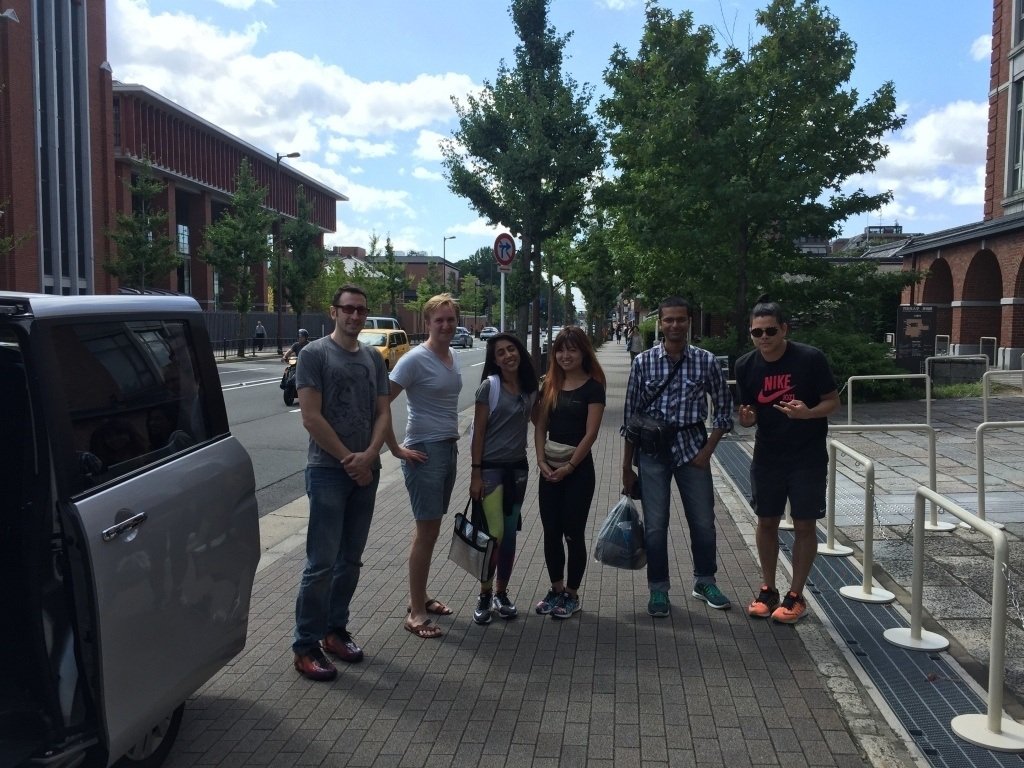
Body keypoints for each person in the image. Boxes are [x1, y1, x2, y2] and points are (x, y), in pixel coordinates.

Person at [291, 284, 391, 681]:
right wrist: (350, 459)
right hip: (328, 472)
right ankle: (305, 645)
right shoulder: (314, 354)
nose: (354, 316)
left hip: (367, 472)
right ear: (334, 312)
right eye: (348, 309)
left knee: (350, 560)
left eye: (361, 310)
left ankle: (335, 630)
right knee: (321, 563)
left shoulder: (373, 358)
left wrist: (369, 456)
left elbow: (383, 413)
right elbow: (310, 416)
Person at [621, 297, 734, 618]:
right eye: (668, 320)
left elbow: (724, 410)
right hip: (652, 452)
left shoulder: (706, 361)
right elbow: (631, 418)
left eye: (680, 320)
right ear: (661, 322)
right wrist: (626, 469)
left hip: (692, 448)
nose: (674, 325)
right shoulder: (643, 362)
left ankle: (704, 581)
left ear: (689, 322)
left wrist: (707, 450)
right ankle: (658, 589)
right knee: (656, 526)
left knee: (703, 522)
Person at [735, 298, 839, 624]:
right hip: (767, 455)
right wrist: (747, 418)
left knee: (804, 525)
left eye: (770, 330)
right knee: (766, 521)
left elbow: (832, 401)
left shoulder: (810, 359)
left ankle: (796, 595)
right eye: (756, 332)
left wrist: (808, 413)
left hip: (806, 456)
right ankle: (768, 589)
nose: (763, 337)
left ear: (784, 329)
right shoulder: (745, 366)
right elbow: (748, 414)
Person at [387, 293, 462, 639]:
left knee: (431, 531)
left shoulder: (453, 357)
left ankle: (421, 597)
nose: (445, 325)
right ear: (427, 323)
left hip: (447, 449)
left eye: (450, 319)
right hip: (424, 452)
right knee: (425, 532)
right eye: (439, 320)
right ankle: (415, 613)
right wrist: (395, 448)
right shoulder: (415, 359)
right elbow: (381, 401)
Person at [534, 326, 606, 619]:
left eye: (572, 349)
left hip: (577, 472)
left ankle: (572, 594)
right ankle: (556, 588)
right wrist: (540, 461)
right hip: (548, 468)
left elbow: (591, 434)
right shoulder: (549, 384)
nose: (566, 355)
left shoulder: (593, 387)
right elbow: (539, 426)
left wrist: (569, 467)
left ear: (583, 352)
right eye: (561, 350)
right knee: (550, 532)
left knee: (573, 533)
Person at [468, 333, 539, 625]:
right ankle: (484, 594)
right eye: (501, 353)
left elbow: (539, 421)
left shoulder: (529, 389)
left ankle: (501, 592)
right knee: (493, 533)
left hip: (518, 470)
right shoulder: (490, 387)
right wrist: (475, 473)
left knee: (509, 534)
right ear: (494, 360)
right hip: (491, 470)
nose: (508, 356)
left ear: (519, 352)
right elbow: (479, 433)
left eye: (511, 350)